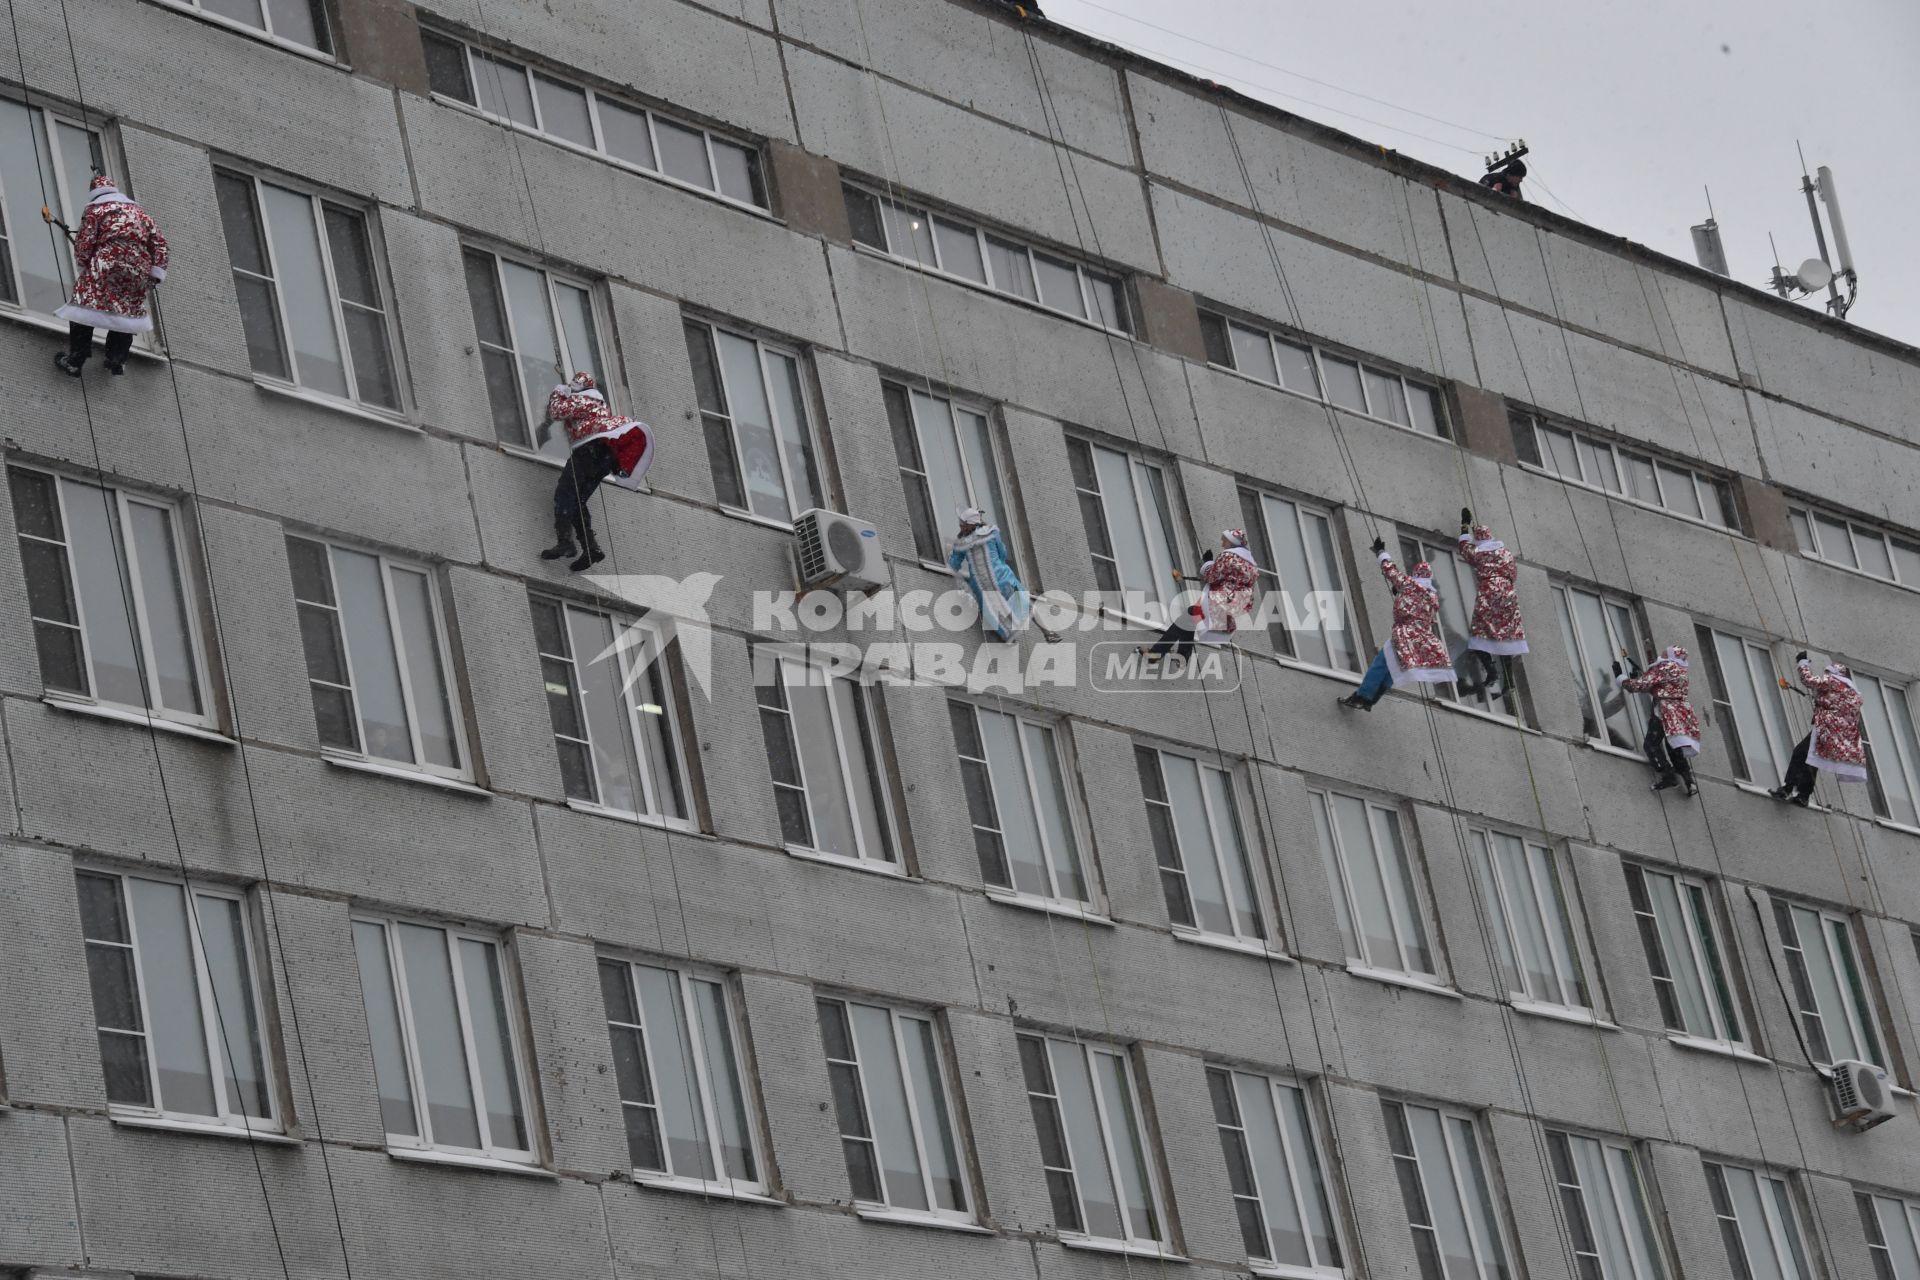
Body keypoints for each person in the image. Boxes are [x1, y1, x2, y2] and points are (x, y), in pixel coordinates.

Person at [53, 174, 169, 377]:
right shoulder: (140, 214)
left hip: (108, 262)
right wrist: (155, 273)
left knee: (84, 304)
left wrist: (83, 264)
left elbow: (85, 242)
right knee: (127, 309)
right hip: (137, 268)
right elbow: (160, 244)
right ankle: (117, 358)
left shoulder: (95, 209)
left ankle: (76, 359)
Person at [538, 372, 653, 572]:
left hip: (589, 452)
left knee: (564, 494)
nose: (570, 387)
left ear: (582, 387)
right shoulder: (597, 404)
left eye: (573, 384)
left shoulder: (585, 399)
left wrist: (558, 391)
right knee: (577, 501)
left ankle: (565, 541)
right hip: (602, 458)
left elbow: (557, 411)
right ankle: (590, 547)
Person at [1338, 539, 1456, 711]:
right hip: (1420, 638)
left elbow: (1390, 570)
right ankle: (1370, 699)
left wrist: (1380, 552)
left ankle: (1362, 696)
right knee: (1392, 668)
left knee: (1380, 664)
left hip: (1404, 634)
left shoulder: (1410, 585)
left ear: (1415, 574)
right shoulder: (1432, 597)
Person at [1141, 530, 1259, 658]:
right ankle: (1181, 655)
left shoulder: (1228, 557)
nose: (1222, 543)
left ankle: (1160, 653)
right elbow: (1232, 580)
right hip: (1232, 607)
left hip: (1220, 602)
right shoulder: (1249, 565)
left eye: (1224, 540)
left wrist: (1207, 562)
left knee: (1190, 614)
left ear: (1232, 542)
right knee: (1191, 615)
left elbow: (1211, 576)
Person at [950, 506, 1059, 643]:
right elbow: (1002, 552)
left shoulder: (961, 544)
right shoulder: (991, 533)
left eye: (962, 523)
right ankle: (1048, 632)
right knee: (1026, 604)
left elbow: (954, 564)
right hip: (1003, 578)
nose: (960, 525)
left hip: (984, 585)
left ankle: (1010, 637)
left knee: (997, 613)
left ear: (967, 524)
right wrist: (998, 564)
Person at [1770, 653, 1867, 806]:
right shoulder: (1853, 693)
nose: (1826, 675)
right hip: (1840, 735)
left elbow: (1808, 680)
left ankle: (1788, 789)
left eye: (1828, 672)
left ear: (1833, 673)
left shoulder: (1833, 681)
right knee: (1812, 759)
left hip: (1827, 728)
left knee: (1800, 752)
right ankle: (1803, 795)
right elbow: (1836, 706)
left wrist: (1802, 663)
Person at [1454, 508, 1527, 698]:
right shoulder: (1506, 553)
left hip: (1489, 594)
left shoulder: (1479, 553)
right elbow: (1513, 574)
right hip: (1508, 595)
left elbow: (1464, 549)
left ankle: (1492, 671)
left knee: (1479, 634)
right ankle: (1509, 680)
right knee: (1505, 637)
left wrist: (1464, 526)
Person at [1613, 646, 1700, 796]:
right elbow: (1661, 687)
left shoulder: (1665, 667)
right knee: (1673, 746)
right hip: (1681, 713)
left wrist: (1622, 679)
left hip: (1665, 711)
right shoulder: (1681, 671)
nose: (1663, 653)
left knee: (1651, 744)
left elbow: (1640, 685)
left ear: (1671, 655)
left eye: (1666, 652)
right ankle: (1689, 781)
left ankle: (1668, 775)